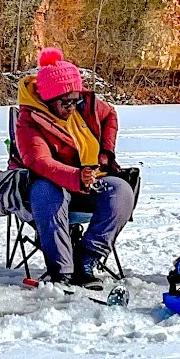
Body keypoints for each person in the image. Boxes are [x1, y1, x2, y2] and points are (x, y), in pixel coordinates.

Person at [16, 46, 135, 286]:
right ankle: (62, 270)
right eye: (66, 103)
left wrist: (106, 152)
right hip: (47, 182)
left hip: (89, 177)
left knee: (121, 191)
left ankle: (88, 258)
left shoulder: (84, 105)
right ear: (49, 99)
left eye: (76, 100)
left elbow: (110, 115)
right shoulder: (29, 120)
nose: (73, 107)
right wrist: (76, 177)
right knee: (48, 193)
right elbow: (39, 161)